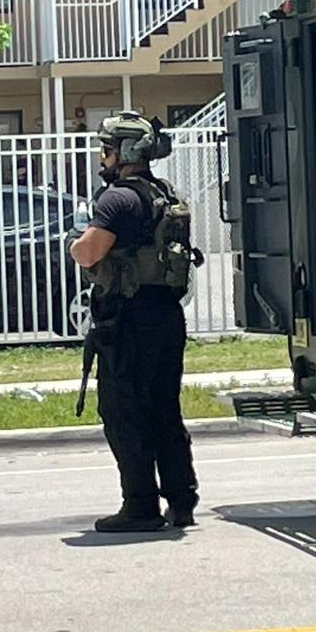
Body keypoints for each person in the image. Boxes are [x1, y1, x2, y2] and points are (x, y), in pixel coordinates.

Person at [67, 112, 202, 533]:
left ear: (124, 152)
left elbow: (89, 253)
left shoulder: (118, 199)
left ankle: (140, 504)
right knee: (164, 408)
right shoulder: (164, 194)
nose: (102, 158)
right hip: (166, 316)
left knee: (125, 411)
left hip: (129, 320)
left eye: (106, 150)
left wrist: (74, 242)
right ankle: (181, 499)